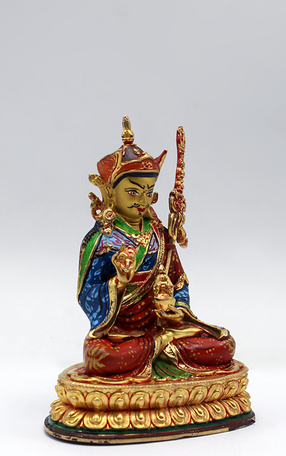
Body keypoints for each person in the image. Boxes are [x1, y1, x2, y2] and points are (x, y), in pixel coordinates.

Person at [78, 119, 235, 378]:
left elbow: (179, 281)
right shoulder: (102, 241)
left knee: (223, 343)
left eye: (148, 192)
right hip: (121, 335)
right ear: (110, 193)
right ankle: (159, 349)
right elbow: (87, 296)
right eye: (133, 192)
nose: (143, 200)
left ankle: (158, 349)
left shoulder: (159, 235)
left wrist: (177, 309)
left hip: (164, 327)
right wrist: (118, 282)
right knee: (99, 356)